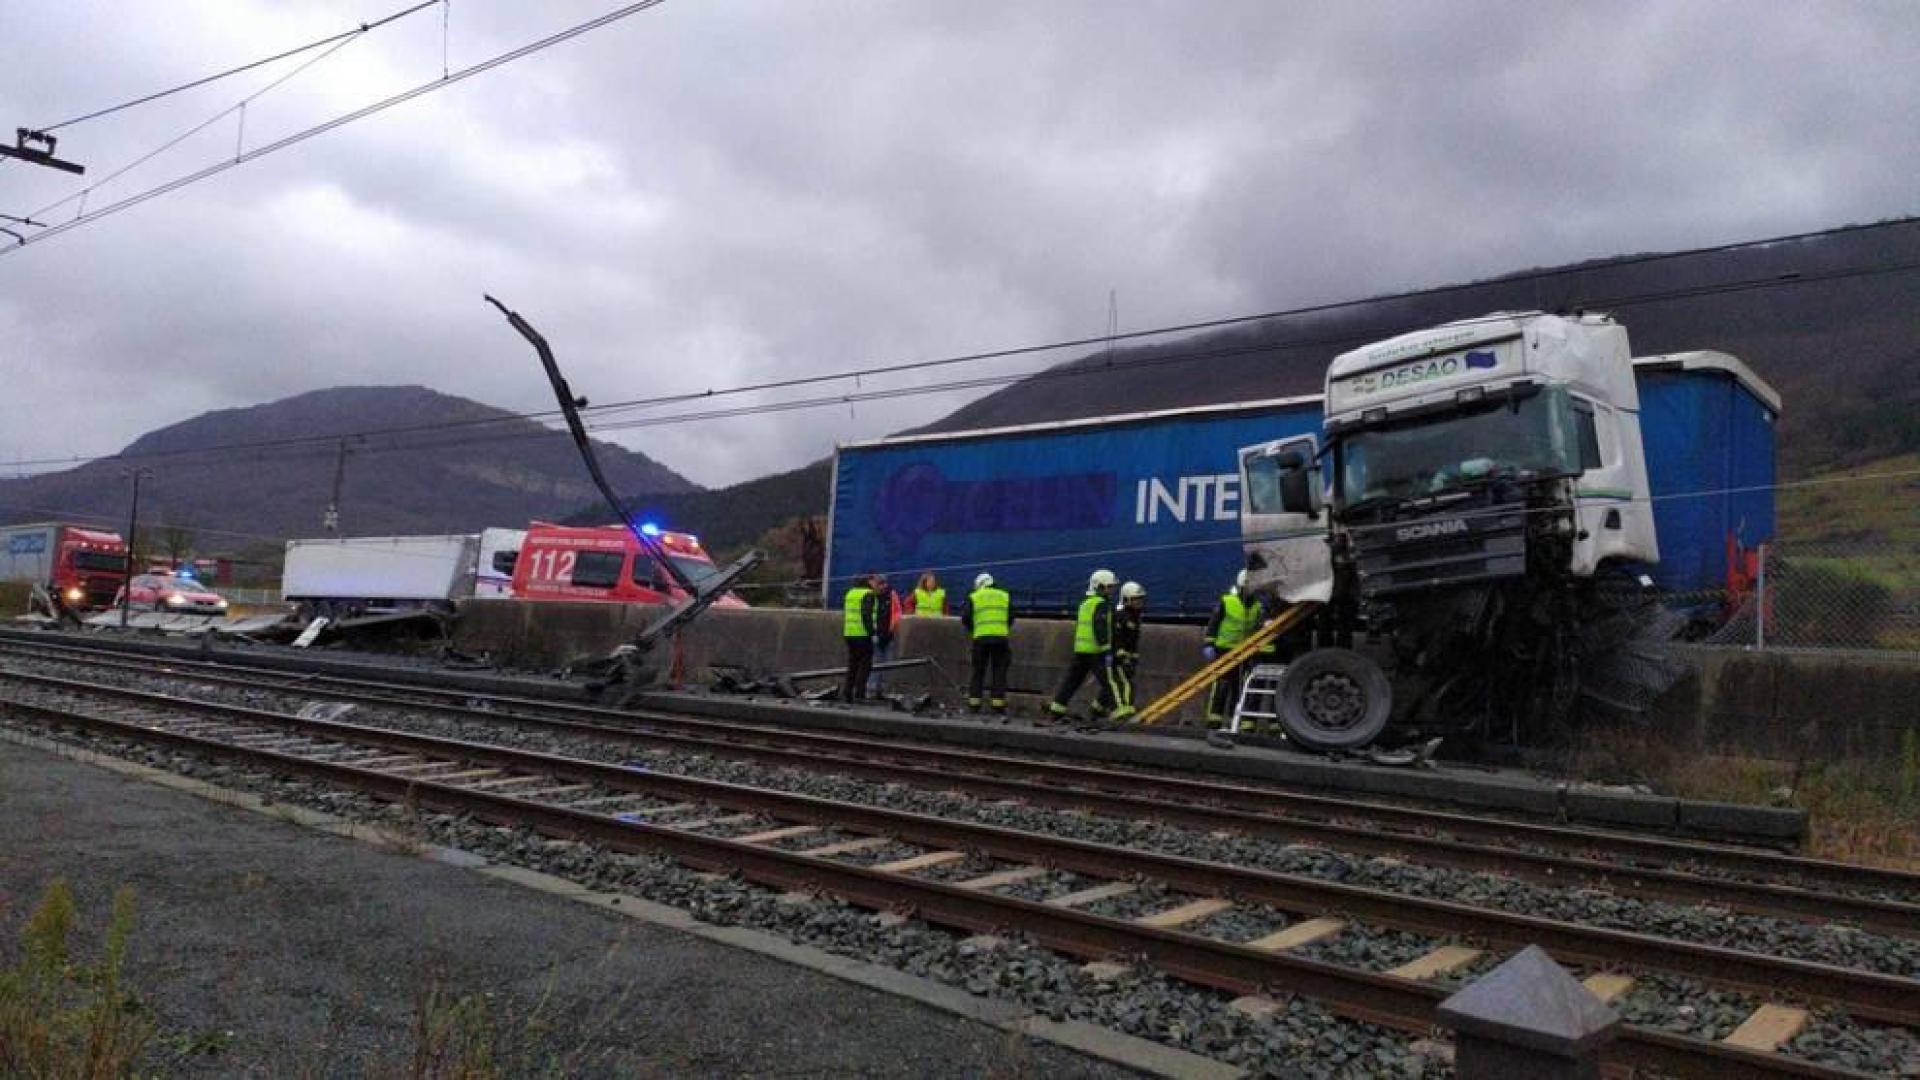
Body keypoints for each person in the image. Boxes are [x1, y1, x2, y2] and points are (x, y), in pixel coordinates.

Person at [1203, 570, 1271, 727]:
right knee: (1221, 685)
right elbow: (1213, 624)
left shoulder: (1257, 606)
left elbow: (1258, 626)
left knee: (1239, 688)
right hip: (1223, 649)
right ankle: (1214, 720)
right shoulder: (1227, 601)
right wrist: (1209, 644)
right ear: (1241, 587)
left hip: (1243, 651)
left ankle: (1237, 721)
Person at [1049, 569, 1118, 720]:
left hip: (1081, 650)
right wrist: (1107, 648)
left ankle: (1056, 709)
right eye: (1110, 587)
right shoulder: (1101, 604)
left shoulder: (1085, 603)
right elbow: (1100, 627)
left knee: (1072, 681)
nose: (1112, 590)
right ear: (1101, 587)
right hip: (1096, 651)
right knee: (1111, 683)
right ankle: (1117, 712)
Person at [960, 572, 1013, 715]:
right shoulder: (1004, 595)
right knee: (999, 671)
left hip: (981, 639)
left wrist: (975, 629)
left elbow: (965, 618)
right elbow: (1011, 617)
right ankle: (998, 705)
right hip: (1001, 638)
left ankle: (974, 705)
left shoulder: (974, 596)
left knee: (978, 671)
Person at [841, 573, 882, 703]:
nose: (877, 585)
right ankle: (860, 694)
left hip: (849, 633)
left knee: (853, 664)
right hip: (863, 635)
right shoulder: (868, 594)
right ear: (868, 582)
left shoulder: (850, 593)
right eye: (876, 582)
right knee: (865, 665)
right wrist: (873, 633)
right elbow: (866, 615)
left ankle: (847, 692)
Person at [1109, 581, 1147, 720]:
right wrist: (1122, 656)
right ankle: (1126, 711)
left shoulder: (1136, 617)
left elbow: (1133, 640)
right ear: (1126, 599)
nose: (1140, 602)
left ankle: (1096, 711)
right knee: (1126, 684)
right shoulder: (1120, 615)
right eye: (1136, 599)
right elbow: (1116, 638)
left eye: (1141, 599)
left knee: (1111, 688)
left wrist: (1134, 657)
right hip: (1117, 657)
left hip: (1128, 657)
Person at [866, 576, 902, 696]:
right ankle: (872, 689)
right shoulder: (872, 596)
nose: (882, 586)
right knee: (876, 663)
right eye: (880, 584)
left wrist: (892, 628)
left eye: (883, 584)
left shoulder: (891, 595)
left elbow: (897, 612)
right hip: (876, 634)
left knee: (887, 664)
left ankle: (883, 690)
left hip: (888, 633)